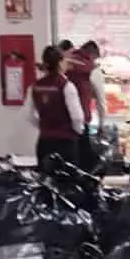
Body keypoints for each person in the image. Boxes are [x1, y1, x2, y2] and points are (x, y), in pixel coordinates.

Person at [25, 45, 86, 173]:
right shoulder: (66, 86)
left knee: (46, 183)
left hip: (45, 142)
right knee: (67, 184)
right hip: (65, 143)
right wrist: (78, 131)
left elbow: (29, 116)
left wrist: (45, 126)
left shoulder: (35, 86)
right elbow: (77, 117)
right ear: (59, 63)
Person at [65, 40, 107, 172]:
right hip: (81, 121)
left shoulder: (65, 63)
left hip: (60, 123)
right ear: (93, 54)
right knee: (87, 163)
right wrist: (101, 125)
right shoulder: (92, 70)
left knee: (67, 162)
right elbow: (101, 101)